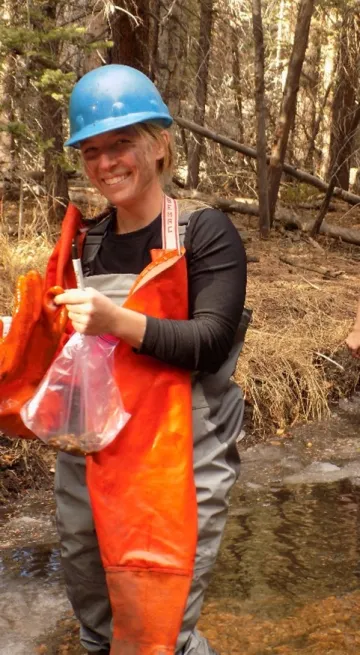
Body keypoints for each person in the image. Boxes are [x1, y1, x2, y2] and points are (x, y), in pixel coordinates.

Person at [48, 64, 248, 655]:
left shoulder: (204, 232)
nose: (105, 163)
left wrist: (117, 321)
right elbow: (70, 350)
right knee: (95, 609)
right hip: (93, 448)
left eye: (121, 144)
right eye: (91, 151)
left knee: (159, 627)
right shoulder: (85, 241)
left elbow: (209, 342)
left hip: (182, 452)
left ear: (159, 143)